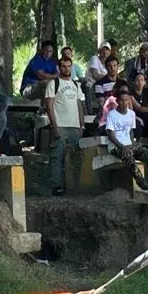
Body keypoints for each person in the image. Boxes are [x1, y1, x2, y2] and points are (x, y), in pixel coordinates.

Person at [105, 87, 148, 193]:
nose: (124, 102)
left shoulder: (131, 114)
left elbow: (130, 132)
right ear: (117, 101)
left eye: (126, 100)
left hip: (129, 144)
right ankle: (142, 183)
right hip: (116, 146)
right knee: (128, 157)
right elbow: (111, 135)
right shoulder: (112, 114)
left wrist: (132, 144)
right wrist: (123, 147)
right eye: (122, 100)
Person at [45, 55, 85, 196]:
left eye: (69, 66)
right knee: (57, 157)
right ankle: (57, 186)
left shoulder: (75, 85)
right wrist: (54, 127)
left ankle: (73, 185)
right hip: (60, 125)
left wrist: (82, 125)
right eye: (63, 66)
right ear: (59, 67)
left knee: (73, 158)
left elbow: (79, 105)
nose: (66, 69)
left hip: (74, 126)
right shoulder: (53, 84)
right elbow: (49, 106)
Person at [128, 71, 148, 139]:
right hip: (137, 117)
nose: (140, 82)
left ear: (145, 82)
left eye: (142, 80)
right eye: (137, 80)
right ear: (133, 82)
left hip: (147, 116)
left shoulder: (146, 92)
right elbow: (139, 108)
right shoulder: (131, 94)